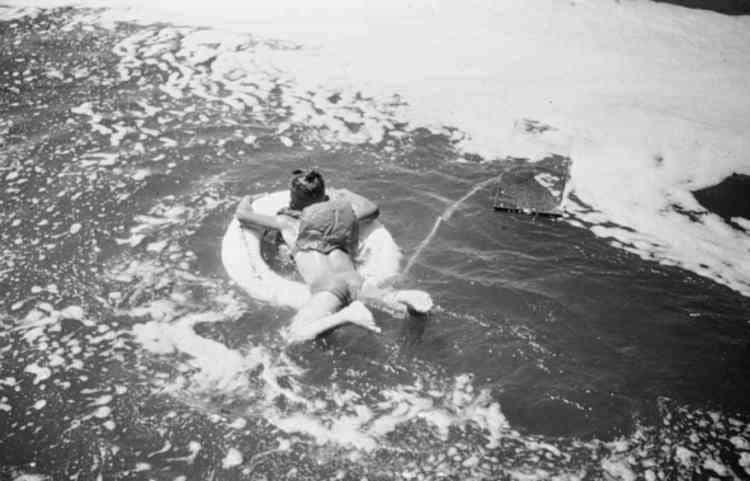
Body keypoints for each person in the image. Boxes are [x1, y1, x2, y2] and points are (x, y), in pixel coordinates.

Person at [235, 169, 432, 344]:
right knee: (393, 305)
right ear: (324, 198)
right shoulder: (343, 218)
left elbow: (242, 215)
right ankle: (404, 299)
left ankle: (347, 316)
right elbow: (372, 209)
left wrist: (248, 199)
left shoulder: (287, 221)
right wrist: (347, 193)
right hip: (355, 281)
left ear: (293, 200)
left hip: (328, 288)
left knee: (294, 335)